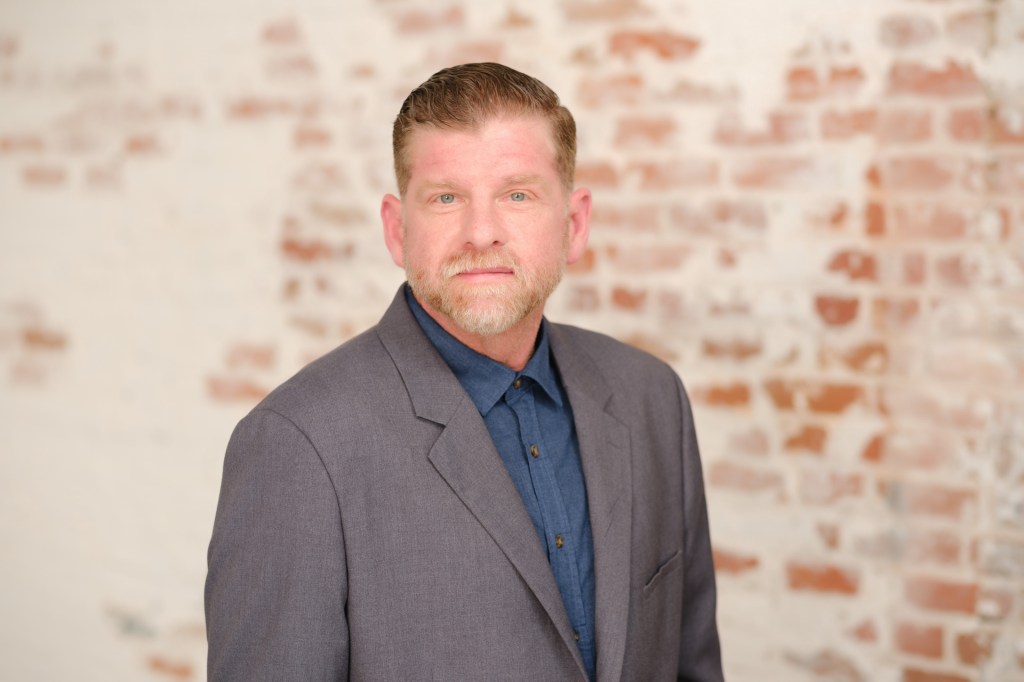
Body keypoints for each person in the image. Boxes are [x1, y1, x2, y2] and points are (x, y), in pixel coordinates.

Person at [205, 62, 723, 682]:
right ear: (398, 231)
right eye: (446, 197)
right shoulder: (298, 444)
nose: (482, 233)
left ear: (575, 224)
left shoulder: (650, 398)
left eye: (518, 194)